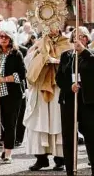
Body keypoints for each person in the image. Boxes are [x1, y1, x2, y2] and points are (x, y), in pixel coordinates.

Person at [23, 22, 71, 171]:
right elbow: (28, 62)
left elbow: (71, 63)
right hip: (40, 86)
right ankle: (41, 158)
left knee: (57, 121)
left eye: (53, 25)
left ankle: (60, 158)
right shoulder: (39, 43)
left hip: (57, 87)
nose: (49, 28)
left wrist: (57, 62)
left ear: (59, 27)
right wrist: (40, 57)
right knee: (39, 121)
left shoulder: (66, 43)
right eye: (47, 25)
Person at [57, 27, 94, 176]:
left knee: (90, 135)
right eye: (75, 36)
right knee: (69, 136)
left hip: (87, 100)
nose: (79, 39)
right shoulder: (66, 56)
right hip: (69, 99)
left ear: (87, 39)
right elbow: (59, 78)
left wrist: (84, 50)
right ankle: (70, 169)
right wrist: (69, 86)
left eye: (82, 36)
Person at [0, 20, 26, 163]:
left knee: (10, 122)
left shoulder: (16, 54)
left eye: (5, 37)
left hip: (11, 94)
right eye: (0, 37)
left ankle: (8, 152)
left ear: (10, 39)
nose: (2, 39)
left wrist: (5, 79)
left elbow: (22, 74)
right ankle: (3, 143)